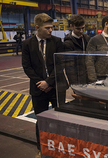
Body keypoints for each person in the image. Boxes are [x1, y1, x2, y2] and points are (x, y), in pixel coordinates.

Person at [22, 13, 65, 158]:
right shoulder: (27, 44)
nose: (51, 30)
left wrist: (49, 82)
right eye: (47, 28)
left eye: (52, 27)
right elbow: (27, 67)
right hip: (38, 89)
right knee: (40, 121)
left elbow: (60, 64)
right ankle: (41, 148)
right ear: (37, 27)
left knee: (60, 120)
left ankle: (60, 147)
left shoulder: (57, 42)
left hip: (55, 88)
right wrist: (40, 83)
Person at [64, 14, 90, 84]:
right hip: (77, 77)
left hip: (88, 75)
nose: (81, 31)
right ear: (71, 26)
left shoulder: (87, 38)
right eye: (78, 29)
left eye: (83, 28)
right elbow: (69, 66)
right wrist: (74, 83)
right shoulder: (68, 43)